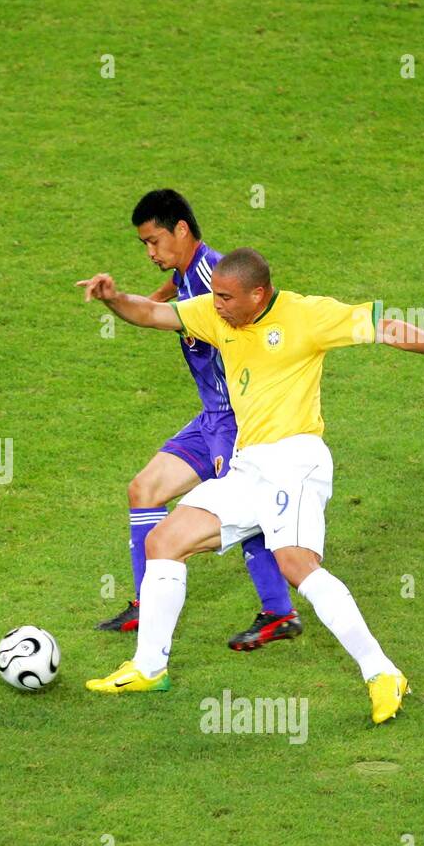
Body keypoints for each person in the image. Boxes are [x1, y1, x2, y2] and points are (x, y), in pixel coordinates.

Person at [76, 249, 424, 721]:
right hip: (248, 465)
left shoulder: (307, 315)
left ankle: (382, 672)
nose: (215, 305)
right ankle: (149, 667)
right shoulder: (217, 315)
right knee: (164, 540)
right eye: (214, 295)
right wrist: (113, 299)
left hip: (295, 460)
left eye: (225, 298)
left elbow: (384, 326)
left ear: (257, 294)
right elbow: (156, 313)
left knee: (296, 563)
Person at [96, 190, 299, 652]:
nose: (150, 252)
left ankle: (279, 611)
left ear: (181, 230)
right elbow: (174, 289)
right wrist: (147, 295)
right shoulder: (187, 273)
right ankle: (149, 601)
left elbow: (264, 318)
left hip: (239, 422)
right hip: (210, 419)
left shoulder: (216, 277)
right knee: (143, 490)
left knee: (245, 515)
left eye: (153, 242)